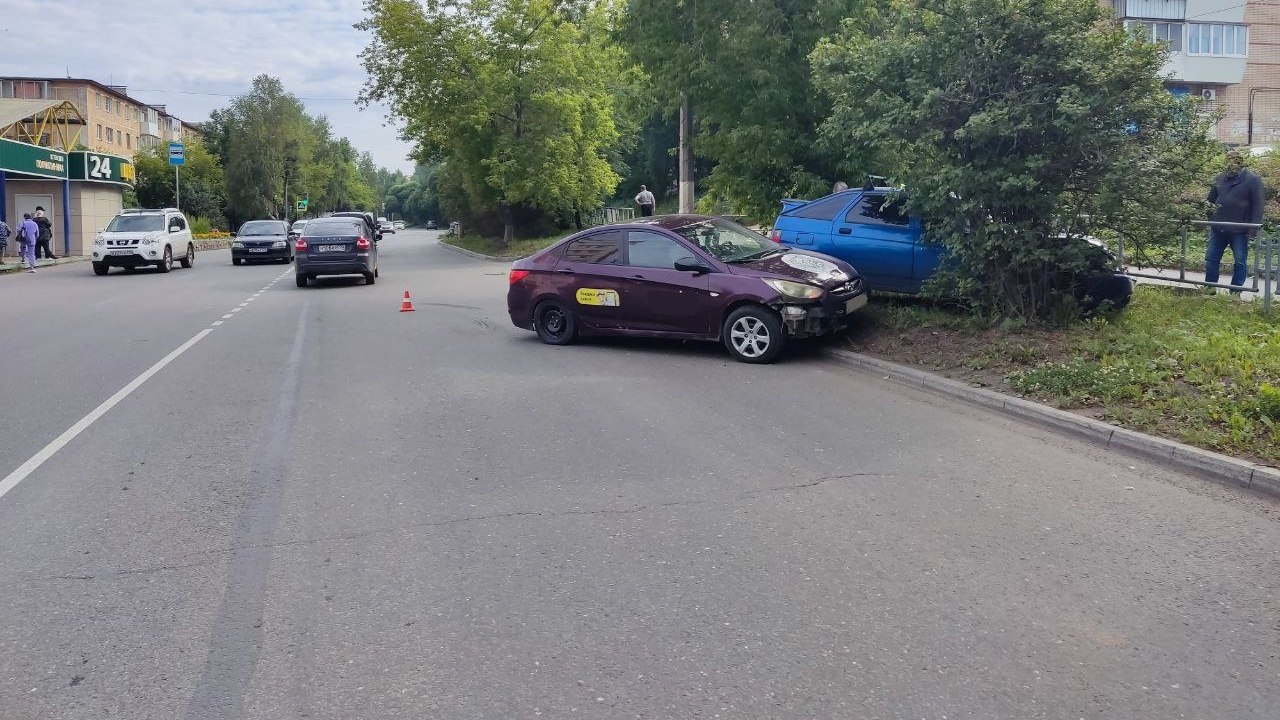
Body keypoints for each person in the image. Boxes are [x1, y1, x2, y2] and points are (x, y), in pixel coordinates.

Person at [1206, 149, 1264, 290]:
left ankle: (1235, 291)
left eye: (1234, 161)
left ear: (1240, 162)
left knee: (1239, 261)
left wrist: (1253, 228)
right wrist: (1211, 218)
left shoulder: (1252, 179)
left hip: (1239, 228)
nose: (1231, 164)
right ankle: (1210, 288)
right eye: (1228, 161)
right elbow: (1210, 200)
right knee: (1211, 258)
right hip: (1218, 227)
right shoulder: (1220, 178)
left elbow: (1258, 205)